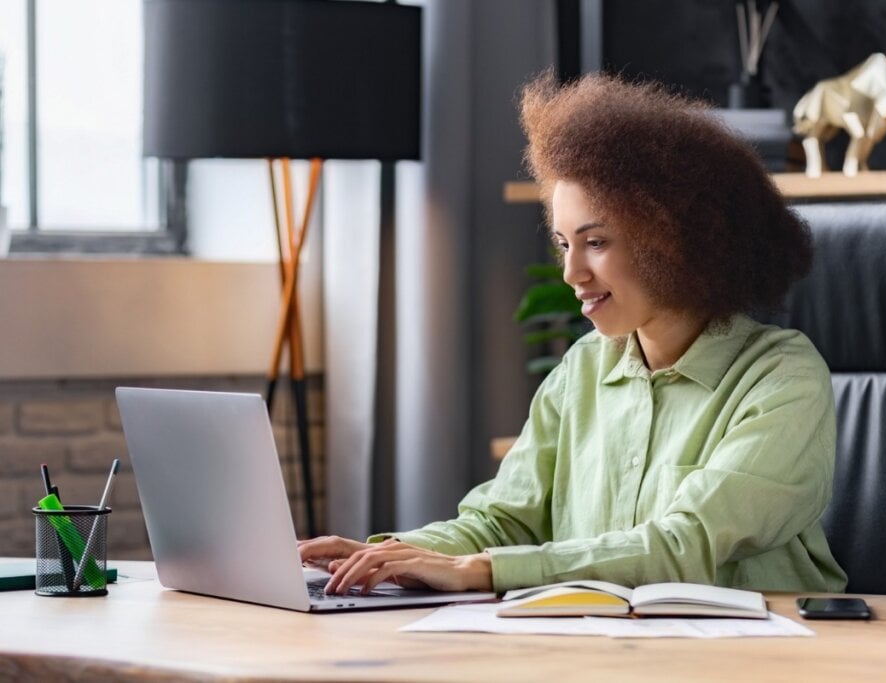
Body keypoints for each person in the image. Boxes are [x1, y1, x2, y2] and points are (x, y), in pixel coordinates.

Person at [298, 70, 848, 596]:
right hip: (610, 647)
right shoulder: (584, 367)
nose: (572, 273)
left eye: (597, 242)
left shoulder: (784, 378)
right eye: (564, 244)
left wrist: (482, 570)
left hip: (761, 655)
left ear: (678, 241)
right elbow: (503, 520)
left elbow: (685, 544)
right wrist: (391, 554)